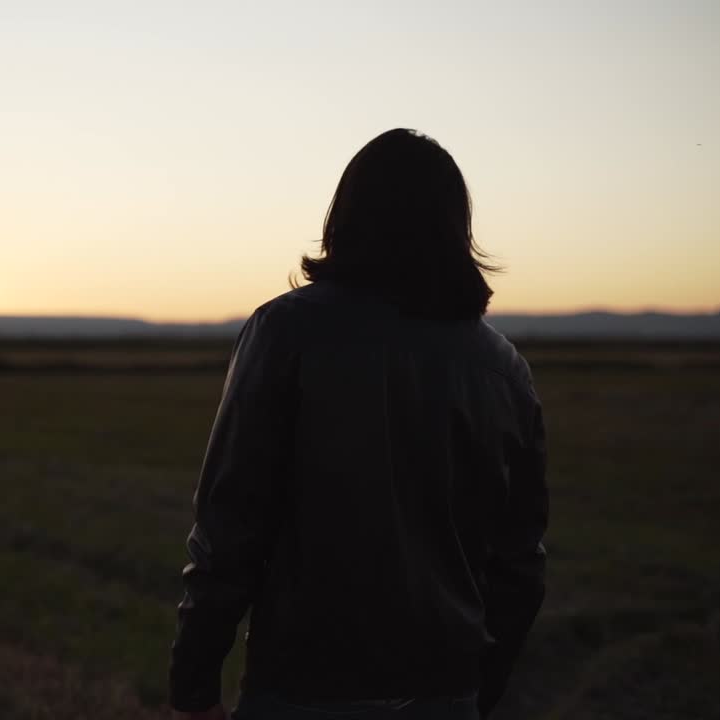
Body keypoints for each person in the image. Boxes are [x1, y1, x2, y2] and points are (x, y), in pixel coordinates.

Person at [168, 129, 548, 720]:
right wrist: (476, 693)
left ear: (344, 216)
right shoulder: (504, 370)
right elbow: (520, 567)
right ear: (456, 229)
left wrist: (192, 691)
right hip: (446, 696)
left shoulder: (285, 334)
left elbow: (229, 525)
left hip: (300, 695)